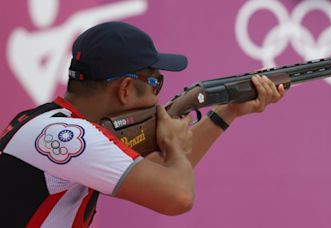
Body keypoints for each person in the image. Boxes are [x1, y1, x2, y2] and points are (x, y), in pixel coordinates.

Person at [0, 21, 285, 227]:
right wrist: (172, 143)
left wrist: (228, 112)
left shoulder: (52, 124)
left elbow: (162, 174)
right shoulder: (67, 136)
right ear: (125, 89)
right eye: (155, 82)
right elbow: (178, 195)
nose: (157, 94)